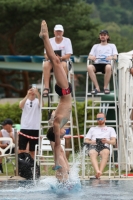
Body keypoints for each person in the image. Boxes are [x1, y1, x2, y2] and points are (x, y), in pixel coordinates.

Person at [39, 20, 72, 170]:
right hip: (64, 92)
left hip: (65, 91)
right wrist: (56, 163)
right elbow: (56, 144)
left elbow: (57, 144)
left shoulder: (57, 124)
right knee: (55, 61)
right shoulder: (58, 123)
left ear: (56, 132)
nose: (64, 134)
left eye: (61, 134)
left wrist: (56, 163)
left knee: (55, 61)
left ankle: (45, 37)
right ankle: (45, 37)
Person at [42, 24, 73, 97]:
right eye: (57, 31)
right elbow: (45, 54)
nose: (58, 33)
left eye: (60, 31)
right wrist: (52, 58)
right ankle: (46, 87)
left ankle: (63, 87)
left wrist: (60, 58)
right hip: (52, 61)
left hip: (62, 61)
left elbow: (68, 55)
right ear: (54, 32)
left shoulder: (67, 40)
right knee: (46, 64)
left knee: (64, 65)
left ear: (63, 32)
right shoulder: (49, 41)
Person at [84, 112, 116, 179]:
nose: (99, 120)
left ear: (105, 119)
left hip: (105, 145)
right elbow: (86, 140)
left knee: (105, 152)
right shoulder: (92, 129)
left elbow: (114, 141)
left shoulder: (110, 129)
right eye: (98, 118)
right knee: (92, 152)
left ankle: (99, 173)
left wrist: (107, 141)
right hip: (94, 145)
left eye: (101, 118)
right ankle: (98, 171)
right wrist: (92, 141)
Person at [87, 30, 118, 95]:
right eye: (101, 35)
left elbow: (115, 57)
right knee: (89, 67)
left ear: (107, 36)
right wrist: (91, 57)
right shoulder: (95, 46)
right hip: (97, 64)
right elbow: (89, 56)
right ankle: (97, 87)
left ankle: (105, 87)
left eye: (104, 35)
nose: (102, 36)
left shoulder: (112, 46)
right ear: (99, 36)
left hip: (107, 64)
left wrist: (111, 57)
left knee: (108, 67)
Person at [18, 86, 41, 159]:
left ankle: (33, 167)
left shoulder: (37, 101)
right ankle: (22, 165)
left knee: (33, 150)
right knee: (21, 149)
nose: (32, 92)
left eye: (34, 90)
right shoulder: (25, 101)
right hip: (24, 128)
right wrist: (27, 95)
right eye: (31, 90)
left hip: (35, 128)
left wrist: (38, 94)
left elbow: (42, 106)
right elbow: (20, 106)